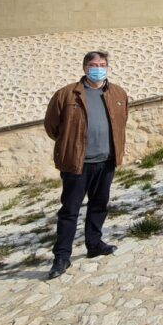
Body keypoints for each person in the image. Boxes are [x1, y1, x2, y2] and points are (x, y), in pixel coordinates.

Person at [44, 51, 129, 279]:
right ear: (84, 68)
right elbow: (52, 126)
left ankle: (94, 243)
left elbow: (122, 122)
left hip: (106, 160)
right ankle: (62, 256)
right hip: (77, 163)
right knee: (70, 210)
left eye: (102, 64)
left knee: (99, 205)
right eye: (93, 65)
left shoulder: (118, 93)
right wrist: (70, 146)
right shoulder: (66, 94)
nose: (98, 68)